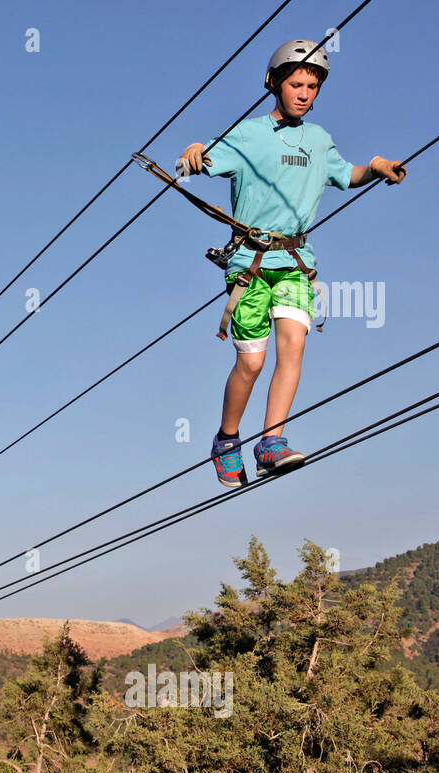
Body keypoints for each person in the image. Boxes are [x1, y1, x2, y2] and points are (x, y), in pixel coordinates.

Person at [178, 39, 406, 487]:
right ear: (274, 84)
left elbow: (347, 174)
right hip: (250, 262)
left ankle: (271, 442)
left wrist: (375, 166)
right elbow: (197, 166)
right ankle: (227, 440)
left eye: (313, 86)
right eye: (296, 83)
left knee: (294, 346)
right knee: (252, 362)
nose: (304, 93)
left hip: (297, 261)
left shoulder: (319, 141)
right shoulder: (248, 135)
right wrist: (193, 150)